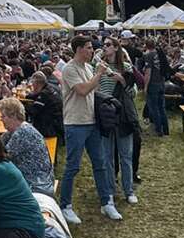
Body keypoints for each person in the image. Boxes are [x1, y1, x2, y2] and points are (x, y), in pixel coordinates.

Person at [59, 36, 118, 224]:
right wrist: (99, 74)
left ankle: (106, 201)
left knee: (100, 163)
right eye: (88, 47)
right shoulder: (69, 69)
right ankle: (65, 206)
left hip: (91, 122)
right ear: (78, 49)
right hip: (75, 123)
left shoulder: (87, 67)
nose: (92, 51)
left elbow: (93, 90)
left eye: (92, 48)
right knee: (72, 166)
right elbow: (83, 90)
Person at [96, 40, 137, 206]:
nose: (104, 47)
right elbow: (96, 89)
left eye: (107, 44)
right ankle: (110, 191)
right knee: (107, 156)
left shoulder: (126, 67)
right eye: (104, 45)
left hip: (122, 114)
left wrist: (122, 80)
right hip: (105, 113)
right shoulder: (99, 67)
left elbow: (133, 93)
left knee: (125, 155)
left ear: (116, 47)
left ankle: (129, 191)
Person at [0, 97, 54, 197]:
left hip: (37, 185)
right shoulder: (14, 131)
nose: (1, 119)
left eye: (3, 116)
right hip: (33, 180)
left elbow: (1, 158)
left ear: (14, 116)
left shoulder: (23, 132)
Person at [143, 38, 171, 137]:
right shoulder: (160, 53)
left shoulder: (148, 55)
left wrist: (145, 86)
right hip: (161, 82)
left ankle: (158, 130)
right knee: (162, 107)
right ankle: (166, 130)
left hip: (153, 84)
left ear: (146, 45)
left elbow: (148, 72)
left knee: (154, 108)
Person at [24, 71, 63, 139]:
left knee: (31, 117)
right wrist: (27, 96)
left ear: (37, 84)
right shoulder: (48, 88)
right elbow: (36, 96)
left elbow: (33, 111)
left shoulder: (44, 94)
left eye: (33, 83)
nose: (32, 85)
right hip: (57, 120)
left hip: (50, 125)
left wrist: (21, 106)